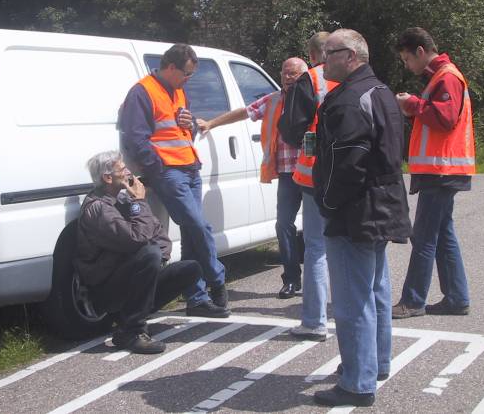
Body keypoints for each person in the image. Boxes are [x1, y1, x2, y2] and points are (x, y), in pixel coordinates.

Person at [312, 29, 412, 407]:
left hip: (356, 210)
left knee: (354, 301)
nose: (323, 61)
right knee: (375, 289)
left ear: (350, 56)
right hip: (381, 204)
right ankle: (376, 364)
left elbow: (347, 162)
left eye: (329, 53)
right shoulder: (381, 91)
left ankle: (357, 381)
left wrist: (327, 201)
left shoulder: (350, 99)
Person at [118, 44, 229, 318]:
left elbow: (181, 132)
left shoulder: (178, 90)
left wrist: (189, 123)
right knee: (198, 225)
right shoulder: (142, 91)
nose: (188, 80)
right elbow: (135, 137)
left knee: (193, 232)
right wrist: (158, 166)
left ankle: (197, 298)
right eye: (187, 74)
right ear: (170, 68)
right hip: (169, 171)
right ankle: (217, 279)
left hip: (190, 167)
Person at [196, 57, 307, 300]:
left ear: (305, 75)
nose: (289, 77)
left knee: (317, 229)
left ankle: (323, 280)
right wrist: (212, 123)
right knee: (283, 224)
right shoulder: (275, 100)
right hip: (289, 175)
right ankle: (291, 278)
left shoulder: (314, 99)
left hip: (313, 174)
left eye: (294, 73)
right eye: (285, 73)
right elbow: (244, 113)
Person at [74, 151, 202, 354]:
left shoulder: (123, 200)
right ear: (108, 178)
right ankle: (132, 331)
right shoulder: (98, 208)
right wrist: (139, 202)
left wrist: (160, 258)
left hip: (128, 278)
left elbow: (158, 234)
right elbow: (137, 238)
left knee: (190, 268)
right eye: (122, 169)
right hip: (104, 288)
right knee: (149, 254)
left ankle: (129, 316)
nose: (128, 172)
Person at [392, 27, 475, 319]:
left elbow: (445, 118)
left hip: (442, 170)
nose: (407, 65)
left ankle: (413, 301)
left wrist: (411, 104)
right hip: (443, 169)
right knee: (442, 233)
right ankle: (457, 297)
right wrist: (415, 104)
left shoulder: (447, 77)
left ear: (420, 51)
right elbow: (441, 114)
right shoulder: (442, 76)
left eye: (406, 59)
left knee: (425, 236)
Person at [279, 32, 338, 340]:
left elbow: (290, 129)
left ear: (313, 55)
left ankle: (314, 322)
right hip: (349, 173)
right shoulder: (353, 76)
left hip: (315, 173)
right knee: (346, 245)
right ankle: (347, 312)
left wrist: (307, 142)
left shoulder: (311, 80)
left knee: (316, 249)